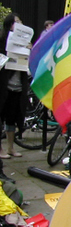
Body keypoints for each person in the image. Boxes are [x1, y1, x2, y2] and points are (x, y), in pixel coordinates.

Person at [0, 13, 29, 159]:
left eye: (20, 22)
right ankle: (1, 149)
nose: (18, 25)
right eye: (15, 22)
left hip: (18, 86)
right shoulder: (2, 41)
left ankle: (11, 147)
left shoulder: (25, 43)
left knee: (12, 118)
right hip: (4, 86)